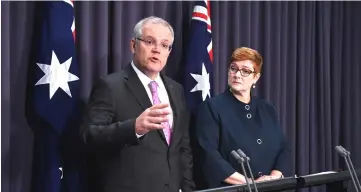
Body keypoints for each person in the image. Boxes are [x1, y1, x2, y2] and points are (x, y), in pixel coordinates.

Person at [79, 16, 195, 192]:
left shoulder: (176, 89)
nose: (157, 50)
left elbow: (182, 147)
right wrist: (134, 128)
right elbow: (89, 136)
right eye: (150, 42)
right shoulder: (111, 86)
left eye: (164, 45)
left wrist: (187, 188)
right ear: (133, 45)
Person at [194, 47, 292, 189]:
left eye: (245, 71)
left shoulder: (267, 108)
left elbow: (284, 148)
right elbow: (209, 156)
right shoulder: (212, 107)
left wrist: (274, 178)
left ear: (256, 77)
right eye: (233, 68)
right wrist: (251, 183)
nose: (237, 75)